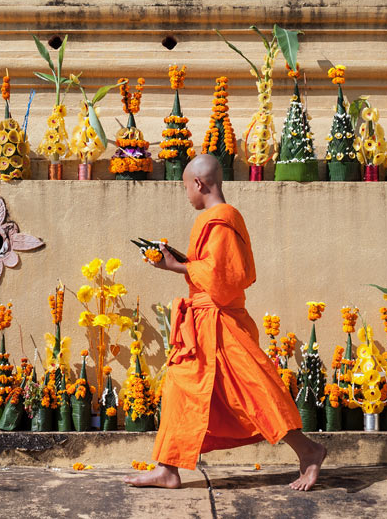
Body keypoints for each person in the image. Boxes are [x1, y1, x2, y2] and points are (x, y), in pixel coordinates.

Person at [123, 154, 326, 491]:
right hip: (202, 323)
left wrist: (175, 266)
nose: (187, 194)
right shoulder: (214, 219)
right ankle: (168, 468)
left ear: (198, 183)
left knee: (255, 389)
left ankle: (309, 450)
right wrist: (179, 260)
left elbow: (224, 277)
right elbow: (211, 266)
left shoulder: (221, 219)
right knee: (179, 387)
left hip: (221, 322)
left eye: (186, 187)